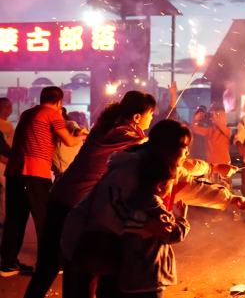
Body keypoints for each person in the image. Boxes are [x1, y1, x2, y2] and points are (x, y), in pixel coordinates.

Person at [60, 120, 245, 298]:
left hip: (122, 253)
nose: (187, 153)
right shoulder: (130, 168)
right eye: (184, 147)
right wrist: (145, 223)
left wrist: (230, 199)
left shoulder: (162, 168)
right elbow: (105, 209)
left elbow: (191, 185)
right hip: (90, 242)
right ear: (167, 148)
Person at [24, 91, 156, 298]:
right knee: (78, 265)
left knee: (51, 264)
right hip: (75, 203)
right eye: (151, 113)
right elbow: (152, 149)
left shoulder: (109, 126)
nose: (152, 118)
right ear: (137, 117)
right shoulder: (121, 132)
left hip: (62, 195)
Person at [0, 87, 87, 278]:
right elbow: (70, 142)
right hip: (35, 173)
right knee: (47, 220)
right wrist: (83, 135)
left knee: (15, 219)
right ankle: (49, 263)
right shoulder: (52, 114)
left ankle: (8, 264)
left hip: (15, 172)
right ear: (59, 102)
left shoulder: (27, 114)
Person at [117, 151, 190, 298]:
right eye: (170, 184)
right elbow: (173, 235)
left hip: (129, 276)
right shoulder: (155, 208)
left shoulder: (131, 201)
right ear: (161, 186)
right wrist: (182, 219)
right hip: (150, 277)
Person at [52, 108, 85, 179]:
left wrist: (80, 133)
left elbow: (76, 130)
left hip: (71, 173)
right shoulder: (52, 128)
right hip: (60, 175)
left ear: (60, 113)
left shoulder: (69, 124)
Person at [0, 97, 14, 225]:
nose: (11, 109)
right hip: (4, 162)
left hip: (5, 160)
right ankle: (3, 219)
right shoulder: (6, 126)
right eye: (9, 106)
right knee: (5, 192)